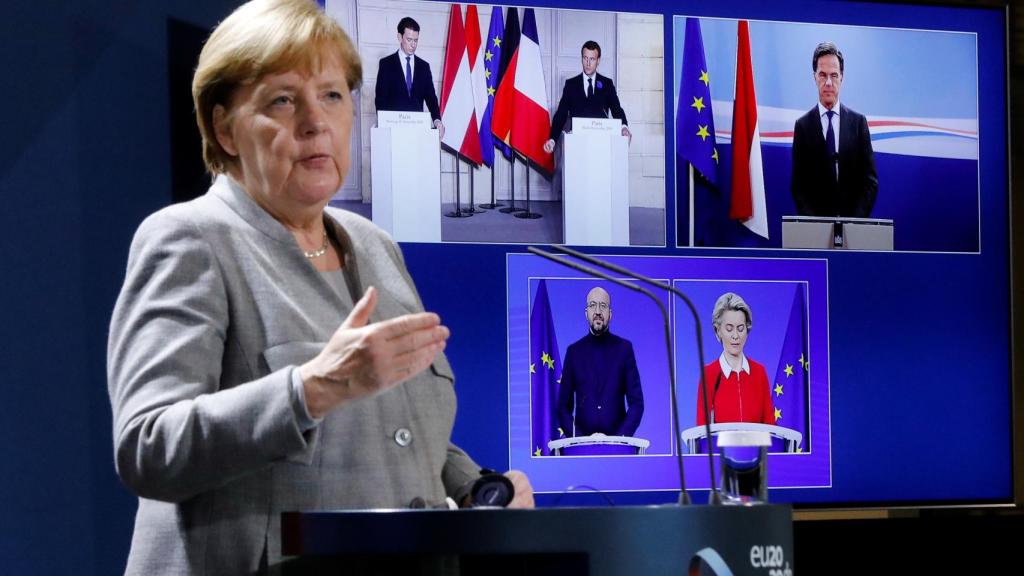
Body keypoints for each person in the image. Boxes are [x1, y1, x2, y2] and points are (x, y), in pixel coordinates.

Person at [107, 1, 531, 573]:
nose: (315, 122)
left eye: (332, 95)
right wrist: (308, 389)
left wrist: (477, 486)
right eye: (283, 100)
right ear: (223, 128)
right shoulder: (190, 241)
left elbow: (394, 430)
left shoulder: (374, 245)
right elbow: (148, 447)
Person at [791, 41, 878, 218]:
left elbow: (870, 182)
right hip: (815, 232)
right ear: (814, 77)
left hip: (853, 229)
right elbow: (798, 185)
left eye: (834, 75)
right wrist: (816, 225)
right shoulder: (802, 126)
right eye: (822, 75)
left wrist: (853, 222)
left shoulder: (858, 123)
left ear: (842, 78)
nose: (828, 82)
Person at [557, 287, 644, 437]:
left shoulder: (624, 349)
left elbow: (637, 403)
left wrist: (619, 439)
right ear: (586, 314)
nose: (597, 311)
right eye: (592, 305)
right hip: (581, 450)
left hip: (619, 449)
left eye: (603, 306)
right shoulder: (574, 352)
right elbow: (563, 407)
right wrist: (578, 440)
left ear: (610, 314)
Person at [696, 293, 775, 426]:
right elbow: (701, 433)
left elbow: (771, 427)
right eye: (729, 329)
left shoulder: (759, 372)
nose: (735, 336)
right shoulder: (708, 375)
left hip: (756, 446)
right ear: (718, 330)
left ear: (747, 330)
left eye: (740, 328)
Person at [543, 40, 631, 154]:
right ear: (582, 59)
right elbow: (561, 114)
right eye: (585, 58)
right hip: (577, 147)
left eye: (592, 59)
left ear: (598, 61)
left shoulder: (607, 84)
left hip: (601, 146)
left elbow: (616, 109)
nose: (588, 63)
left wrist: (624, 127)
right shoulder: (571, 85)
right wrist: (552, 139)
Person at [374, 16, 444, 139]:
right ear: (399, 37)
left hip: (417, 133)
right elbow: (381, 100)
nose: (413, 45)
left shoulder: (424, 67)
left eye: (416, 40)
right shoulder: (386, 64)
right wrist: (384, 128)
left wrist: (437, 120)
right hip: (393, 133)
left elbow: (431, 98)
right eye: (409, 39)